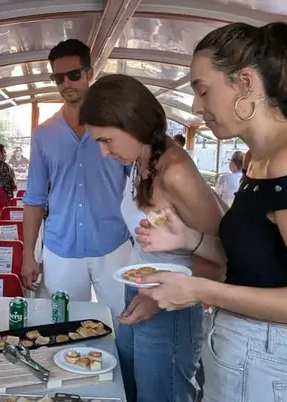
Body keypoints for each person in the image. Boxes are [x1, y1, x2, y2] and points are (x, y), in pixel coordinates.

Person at [134, 22, 287, 402]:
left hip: (268, 365)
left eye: (203, 90)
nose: (196, 106)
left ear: (246, 83)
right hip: (241, 351)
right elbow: (259, 266)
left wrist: (201, 289)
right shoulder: (259, 160)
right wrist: (191, 240)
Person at [80, 74, 224, 402]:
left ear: (131, 122)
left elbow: (221, 255)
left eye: (106, 140)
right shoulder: (142, 160)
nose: (103, 153)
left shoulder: (174, 172)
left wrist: (154, 299)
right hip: (141, 289)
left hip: (171, 305)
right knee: (129, 390)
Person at [22, 39, 131, 318]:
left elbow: (139, 186)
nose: (66, 83)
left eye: (73, 75)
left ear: (89, 73)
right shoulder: (43, 134)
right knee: (63, 326)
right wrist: (27, 254)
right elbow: (34, 199)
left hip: (113, 245)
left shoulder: (117, 126)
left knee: (125, 322)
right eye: (58, 77)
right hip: (60, 248)